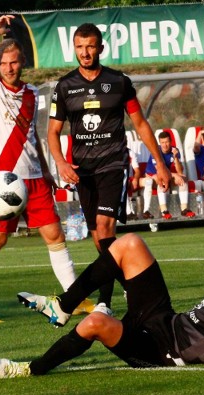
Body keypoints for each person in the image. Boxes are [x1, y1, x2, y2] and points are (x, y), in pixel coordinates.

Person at [0, 226, 204, 377]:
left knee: (95, 323)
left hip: (163, 352)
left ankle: (33, 368)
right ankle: (63, 305)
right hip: (165, 321)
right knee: (130, 243)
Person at [0, 15, 90, 323]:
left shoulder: (33, 94)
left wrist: (46, 171)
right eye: (4, 63)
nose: (10, 68)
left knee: (55, 235)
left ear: (23, 63)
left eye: (15, 62)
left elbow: (34, 137)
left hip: (34, 180)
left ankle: (74, 298)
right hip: (2, 183)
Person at [47, 23, 171, 314]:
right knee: (98, 237)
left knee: (105, 228)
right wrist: (61, 163)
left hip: (114, 162)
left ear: (100, 48)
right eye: (79, 47)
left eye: (90, 46)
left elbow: (140, 123)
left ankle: (106, 299)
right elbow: (52, 132)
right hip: (82, 170)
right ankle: (118, 293)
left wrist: (161, 165)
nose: (85, 52)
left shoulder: (119, 82)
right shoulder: (64, 86)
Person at [141, 131, 196, 219]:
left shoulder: (175, 151)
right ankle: (164, 211)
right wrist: (175, 175)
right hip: (153, 175)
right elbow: (159, 171)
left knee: (183, 179)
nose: (165, 145)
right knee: (162, 180)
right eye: (162, 142)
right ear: (159, 143)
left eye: (167, 142)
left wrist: (176, 157)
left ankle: (184, 209)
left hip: (167, 176)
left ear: (170, 142)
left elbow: (180, 171)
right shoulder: (155, 152)